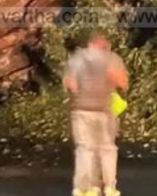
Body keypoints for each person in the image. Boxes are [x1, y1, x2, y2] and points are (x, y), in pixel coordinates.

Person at [64, 33, 130, 196]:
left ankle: (84, 189)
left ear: (90, 44)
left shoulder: (77, 58)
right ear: (105, 46)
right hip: (104, 110)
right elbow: (123, 82)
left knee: (85, 150)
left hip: (81, 109)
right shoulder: (111, 59)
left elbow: (70, 83)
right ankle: (109, 187)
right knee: (107, 150)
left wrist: (83, 90)